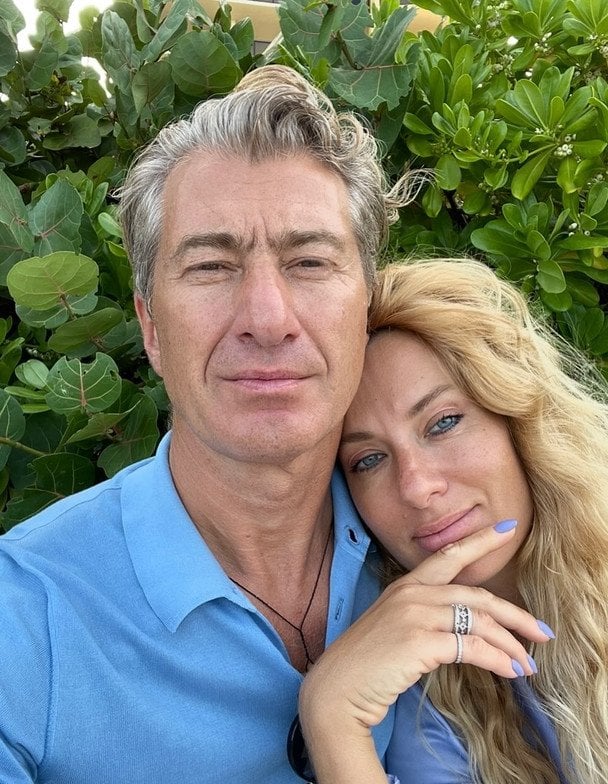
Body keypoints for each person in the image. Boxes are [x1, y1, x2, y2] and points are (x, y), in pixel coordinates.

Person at [0, 65, 407, 783]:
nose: (267, 320)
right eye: (213, 266)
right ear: (151, 327)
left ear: (366, 312)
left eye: (310, 261)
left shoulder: (430, 539)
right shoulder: (25, 612)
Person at [298, 259, 608, 784]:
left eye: (443, 423)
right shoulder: (427, 691)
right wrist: (332, 718)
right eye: (368, 460)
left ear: (517, 417)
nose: (417, 487)